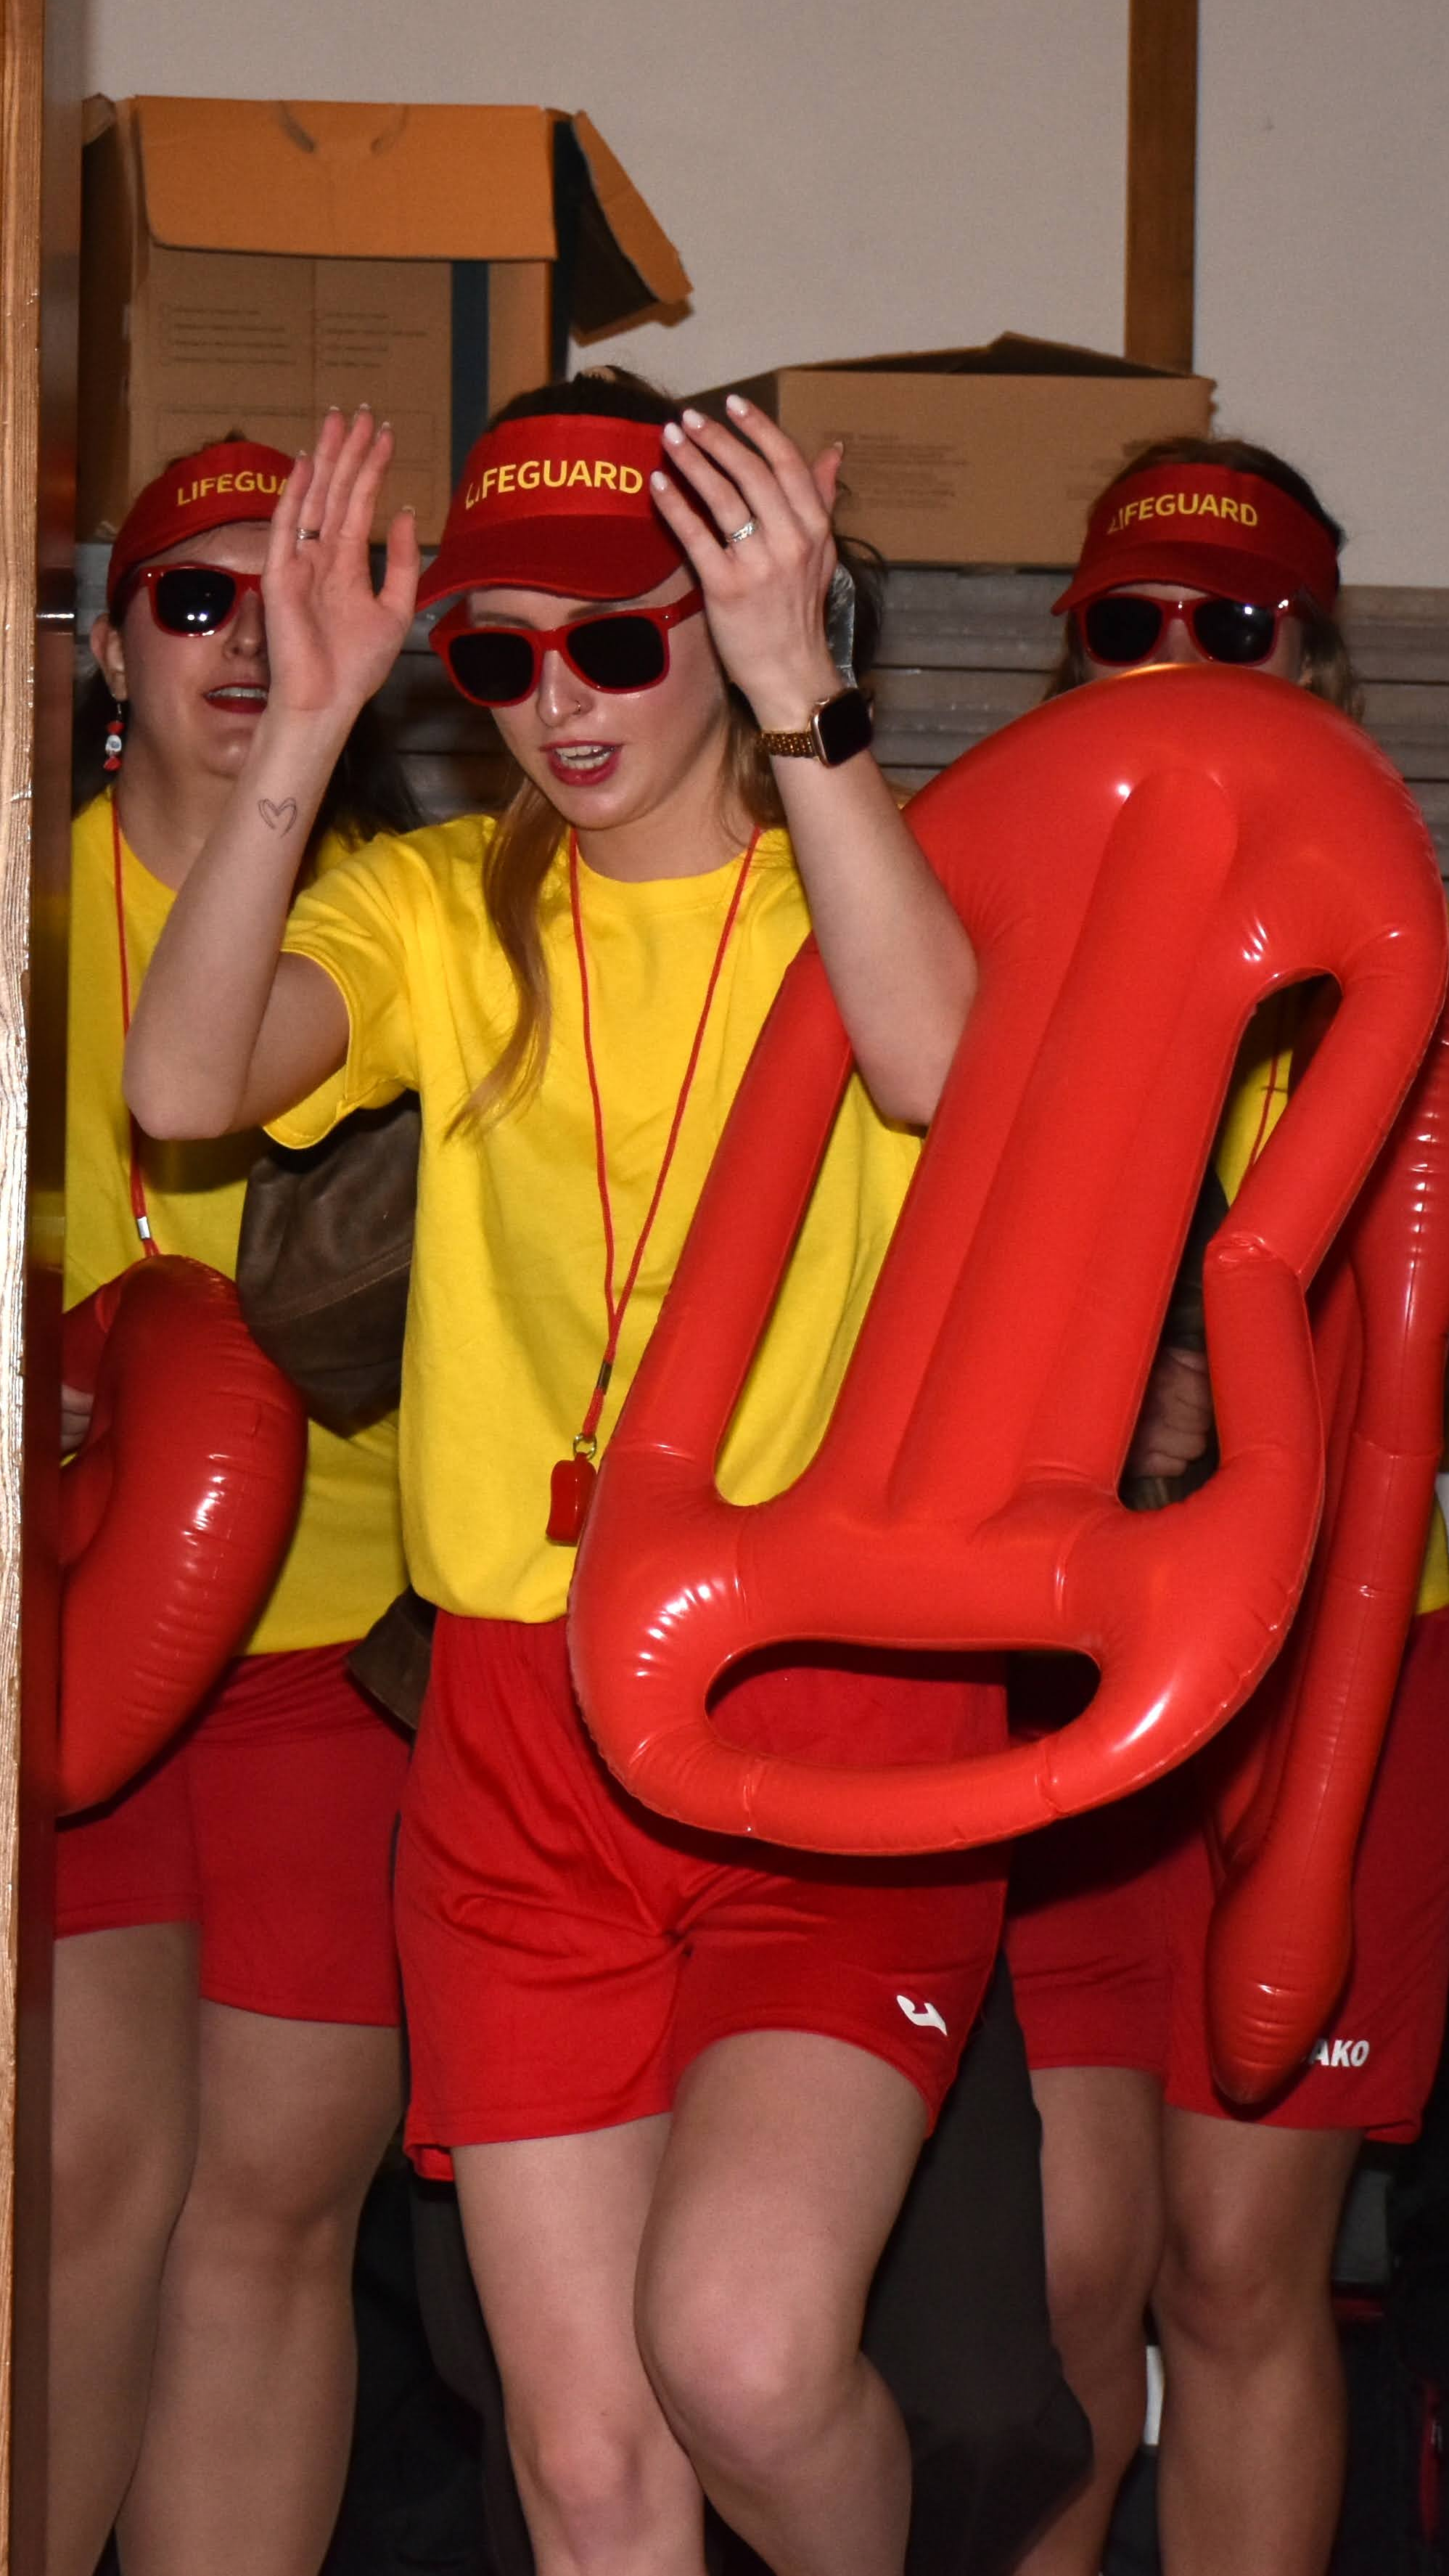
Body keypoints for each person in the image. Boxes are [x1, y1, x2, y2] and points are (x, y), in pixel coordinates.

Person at [123, 376, 1010, 2576]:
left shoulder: (866, 883)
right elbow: (183, 1077)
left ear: (732, 616)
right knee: (594, 2473)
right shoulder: (446, 906)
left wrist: (806, 695)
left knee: (744, 2356)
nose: (560, 705)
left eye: (616, 639)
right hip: (521, 1735)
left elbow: (948, 1078)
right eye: (499, 656)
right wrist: (307, 721)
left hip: (830, 1709)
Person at [1005, 437, 1449, 2576]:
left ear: (1319, 665)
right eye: (1133, 624)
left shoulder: (1415, 958)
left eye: (1237, 623)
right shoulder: (983, 927)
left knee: (1234, 2272)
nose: (1184, 658)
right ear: (1073, 657)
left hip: (1334, 1681)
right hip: (1057, 1679)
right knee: (1059, 2279)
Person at [52, 441, 415, 2576]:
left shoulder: (416, 917)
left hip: (333, 1635)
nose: (244, 642)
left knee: (274, 2212)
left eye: (291, 600)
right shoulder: (25, 899)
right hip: (59, 1630)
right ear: (108, 649)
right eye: (196, 598)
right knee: (83, 2176)